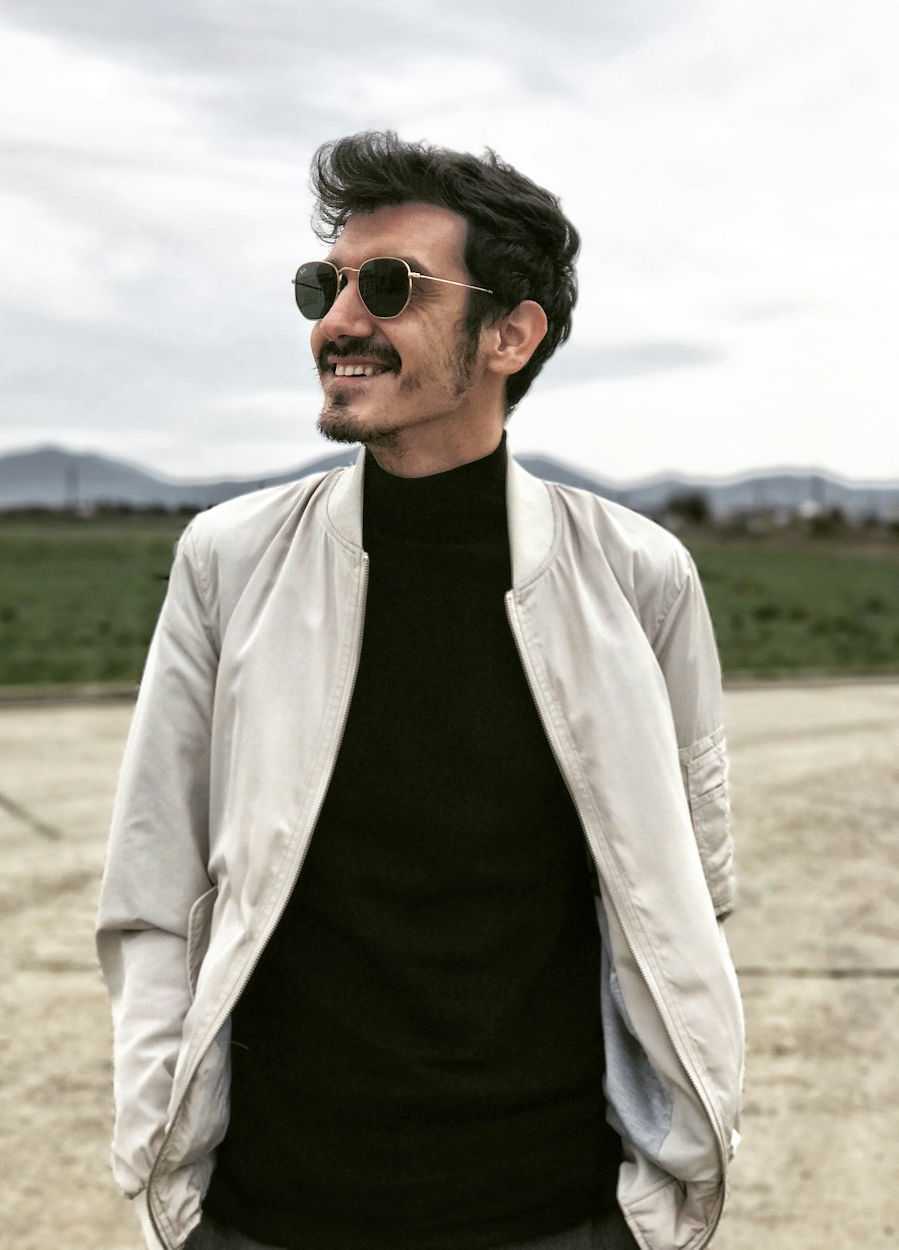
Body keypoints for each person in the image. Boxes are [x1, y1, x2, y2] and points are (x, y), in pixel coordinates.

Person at [96, 131, 744, 1250]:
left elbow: (689, 889)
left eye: (388, 286)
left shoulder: (638, 578)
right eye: (326, 284)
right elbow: (152, 890)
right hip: (270, 1213)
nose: (337, 322)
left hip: (555, 1214)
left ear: (511, 332)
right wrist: (168, 1171)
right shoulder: (230, 559)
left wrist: (648, 1203)